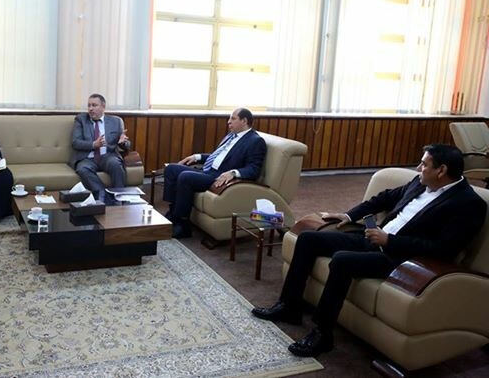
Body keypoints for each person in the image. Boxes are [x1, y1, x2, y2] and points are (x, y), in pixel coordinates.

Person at [251, 144, 487, 358]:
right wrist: (349, 215)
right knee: (308, 239)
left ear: (441, 170)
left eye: (424, 164)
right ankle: (290, 306)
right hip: (374, 238)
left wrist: (390, 241)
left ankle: (322, 334)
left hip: (401, 259)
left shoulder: (468, 204)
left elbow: (443, 250)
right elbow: (384, 198)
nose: (418, 168)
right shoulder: (421, 182)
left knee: (342, 260)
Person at [163, 107, 267, 239]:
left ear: (244, 121)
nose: (228, 122)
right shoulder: (231, 136)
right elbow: (218, 157)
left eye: (233, 118)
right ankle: (173, 213)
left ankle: (182, 225)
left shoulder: (255, 141)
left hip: (219, 178)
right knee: (171, 169)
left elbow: (254, 169)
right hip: (208, 171)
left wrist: (233, 173)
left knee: (185, 177)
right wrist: (197, 157)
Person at [69, 93, 131, 201]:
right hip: (87, 158)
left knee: (116, 164)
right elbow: (75, 142)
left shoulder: (115, 122)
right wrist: (94, 144)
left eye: (94, 105)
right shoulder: (81, 119)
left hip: (107, 156)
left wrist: (122, 143)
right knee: (82, 169)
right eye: (89, 105)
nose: (90, 108)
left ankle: (120, 197)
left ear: (103, 107)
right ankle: (104, 196)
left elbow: (127, 145)